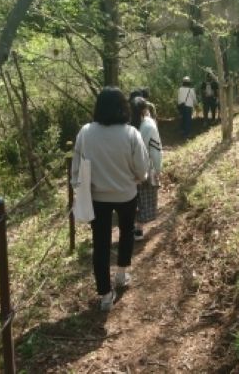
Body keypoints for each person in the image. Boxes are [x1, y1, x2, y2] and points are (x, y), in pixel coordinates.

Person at [71, 87, 149, 311]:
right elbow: (142, 169)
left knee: (100, 244)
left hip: (97, 197)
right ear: (123, 107)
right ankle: (122, 274)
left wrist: (79, 187)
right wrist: (136, 179)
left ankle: (105, 295)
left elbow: (76, 168)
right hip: (126, 194)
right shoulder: (131, 133)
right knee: (126, 233)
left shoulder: (85, 132)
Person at [130, 96, 163, 241]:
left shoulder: (127, 125)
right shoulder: (149, 125)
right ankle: (138, 229)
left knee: (132, 200)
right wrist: (158, 168)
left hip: (129, 170)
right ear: (145, 110)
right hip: (145, 168)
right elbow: (155, 149)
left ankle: (130, 226)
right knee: (145, 199)